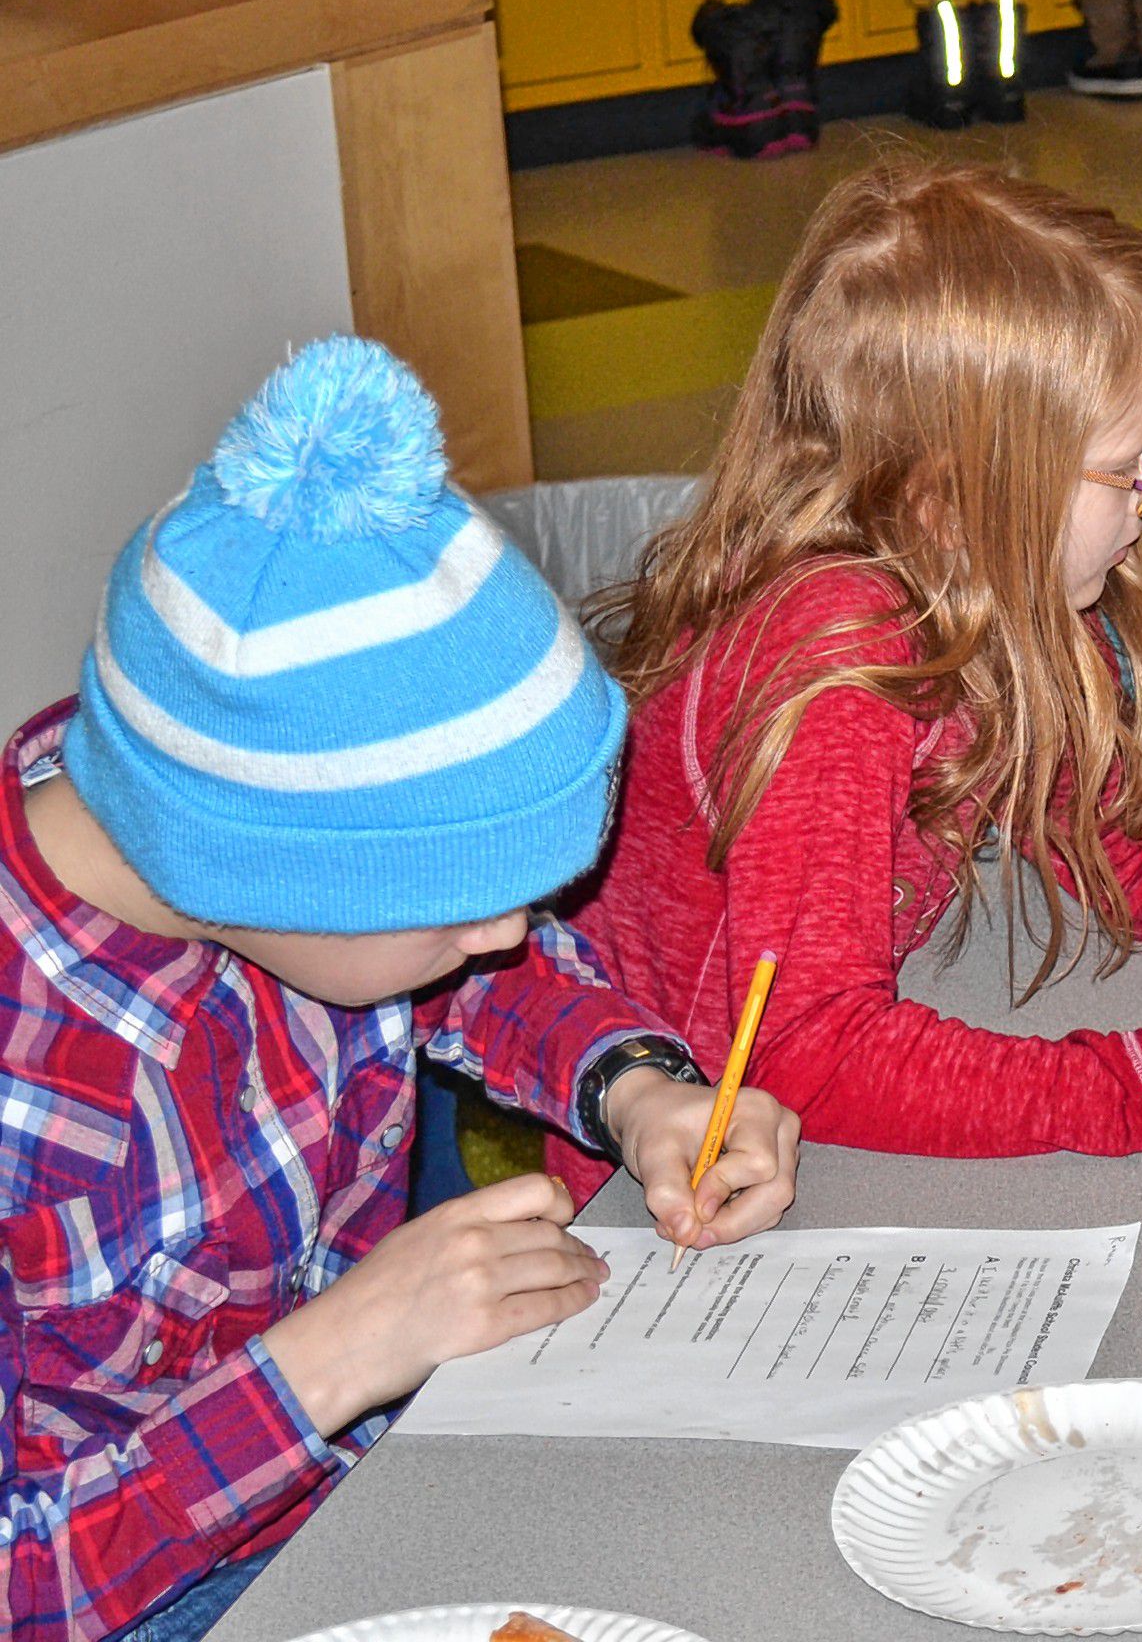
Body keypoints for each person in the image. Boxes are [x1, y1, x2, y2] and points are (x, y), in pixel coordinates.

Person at [4, 337, 798, 1642]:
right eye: (453, 910)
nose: (508, 934)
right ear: (263, 868)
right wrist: (332, 1361)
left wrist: (644, 1093)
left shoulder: (227, 846)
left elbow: (493, 984)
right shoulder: (34, 1077)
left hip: (379, 1494)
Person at [567, 163, 1142, 1174]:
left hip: (789, 1138)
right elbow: (808, 1049)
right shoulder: (835, 665)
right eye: (1133, 466)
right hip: (678, 1167)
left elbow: (1113, 820)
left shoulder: (984, 586)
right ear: (961, 491)